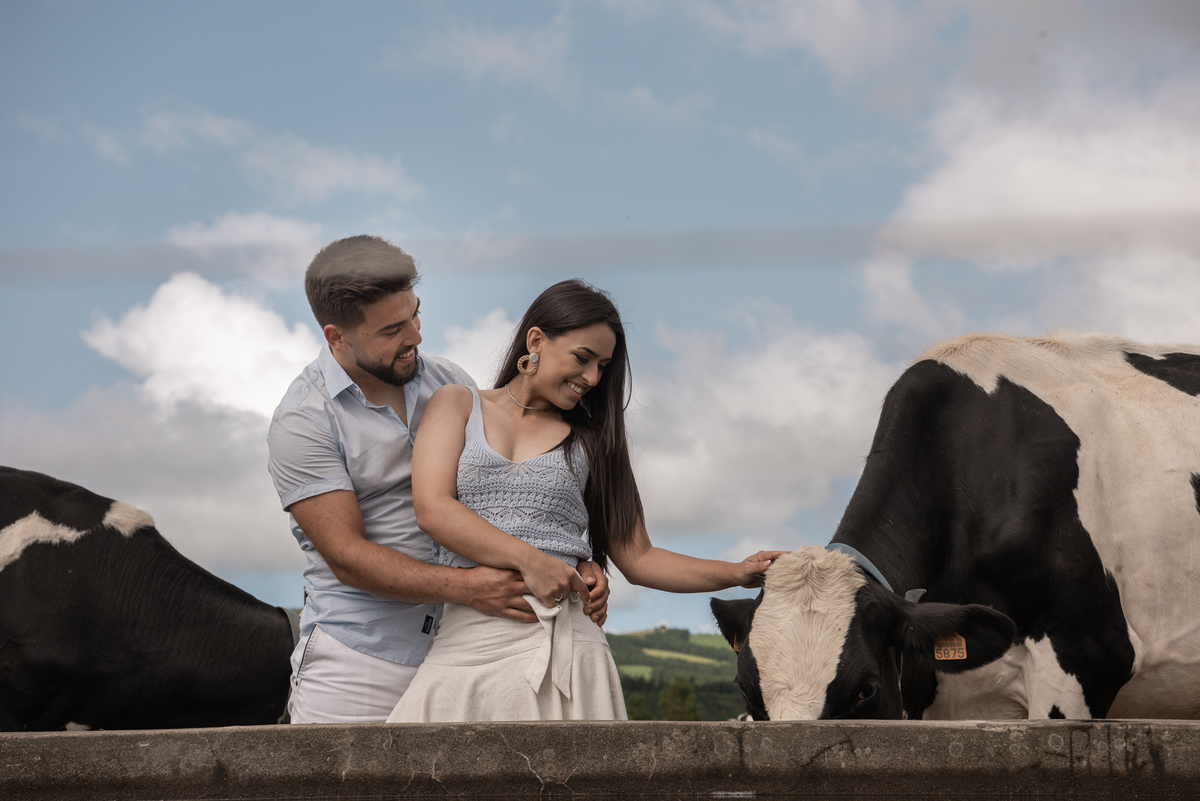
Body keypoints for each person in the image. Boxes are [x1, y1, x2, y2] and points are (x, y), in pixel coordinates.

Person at [387, 279, 783, 722]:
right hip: (465, 640)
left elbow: (639, 556)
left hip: (568, 648)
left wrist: (735, 572)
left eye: (603, 366)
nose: (593, 378)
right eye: (583, 358)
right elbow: (433, 509)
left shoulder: (596, 441)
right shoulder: (457, 402)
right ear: (535, 340)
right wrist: (531, 561)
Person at [267, 236, 610, 724]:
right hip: (361, 661)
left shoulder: (451, 383)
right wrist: (468, 588)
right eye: (392, 329)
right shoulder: (302, 422)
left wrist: (576, 562)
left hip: (467, 650)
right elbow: (346, 556)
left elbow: (510, 497)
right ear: (336, 337)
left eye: (415, 315)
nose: (416, 337)